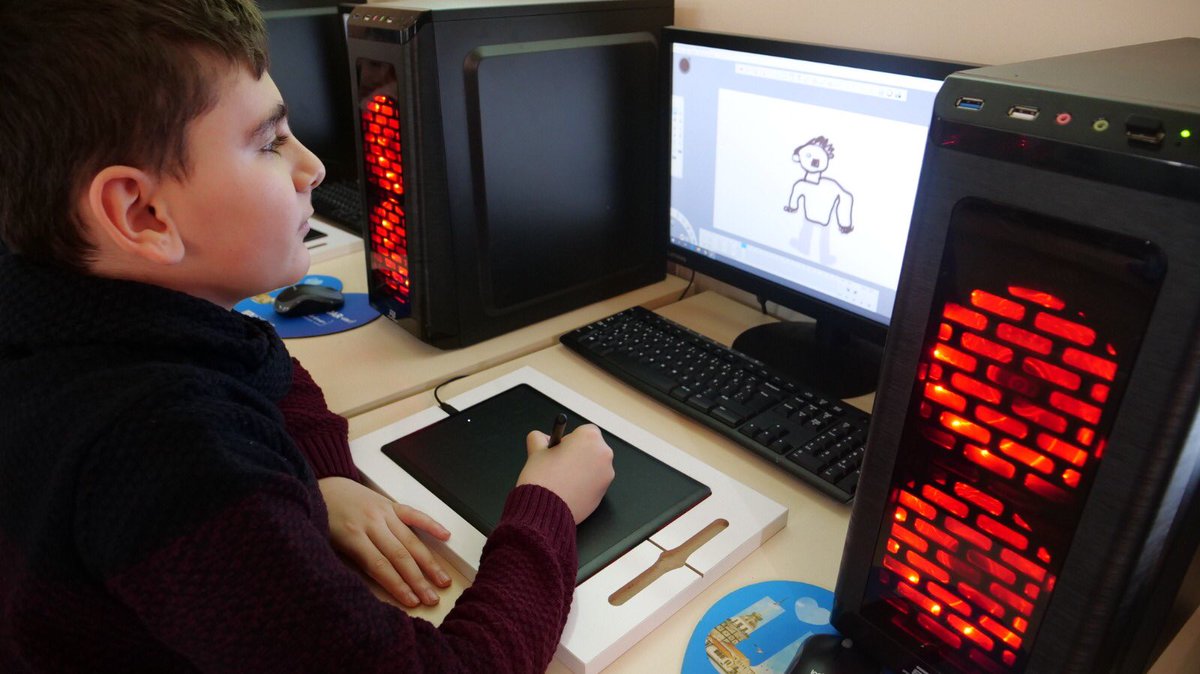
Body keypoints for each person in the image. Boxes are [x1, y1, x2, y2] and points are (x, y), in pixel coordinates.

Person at [0, 1, 615, 671]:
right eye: (270, 143)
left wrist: (324, 478)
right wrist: (548, 508)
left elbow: (253, 359)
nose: (315, 167)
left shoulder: (70, 311)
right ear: (142, 213)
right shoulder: (172, 455)